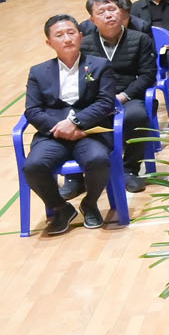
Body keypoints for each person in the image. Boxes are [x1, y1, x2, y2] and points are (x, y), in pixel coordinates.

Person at [23, 16, 118, 235]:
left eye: (71, 32)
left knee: (97, 160)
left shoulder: (100, 65)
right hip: (53, 134)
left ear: (80, 36)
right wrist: (60, 127)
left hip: (89, 132)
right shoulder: (38, 72)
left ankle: (90, 204)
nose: (67, 39)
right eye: (59, 35)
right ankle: (61, 208)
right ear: (49, 43)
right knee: (33, 167)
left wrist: (75, 123)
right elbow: (32, 110)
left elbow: (105, 103)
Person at [80, 0, 158, 193]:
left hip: (128, 97)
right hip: (97, 101)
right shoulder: (83, 45)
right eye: (101, 12)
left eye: (112, 10)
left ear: (121, 13)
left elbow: (148, 75)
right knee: (73, 116)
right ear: (92, 20)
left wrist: (123, 96)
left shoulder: (140, 39)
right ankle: (76, 177)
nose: (109, 15)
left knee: (137, 115)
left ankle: (130, 169)